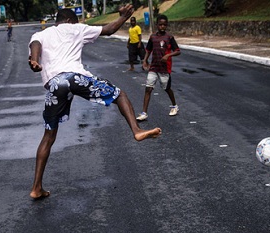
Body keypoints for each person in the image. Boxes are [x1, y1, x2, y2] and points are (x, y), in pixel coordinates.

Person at [28, 5, 162, 200]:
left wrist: (34, 60)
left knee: (48, 136)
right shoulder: (76, 27)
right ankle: (137, 130)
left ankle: (36, 188)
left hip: (55, 83)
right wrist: (124, 17)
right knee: (120, 95)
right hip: (74, 77)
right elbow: (108, 30)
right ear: (69, 21)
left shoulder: (42, 34)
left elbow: (35, 46)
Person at [137, 14, 181, 121]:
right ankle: (144, 113)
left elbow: (178, 51)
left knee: (166, 88)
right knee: (148, 88)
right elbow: (148, 50)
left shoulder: (169, 37)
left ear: (166, 25)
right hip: (154, 67)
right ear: (157, 25)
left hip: (164, 68)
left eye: (164, 25)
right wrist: (145, 60)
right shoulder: (153, 37)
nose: (162, 26)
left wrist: (168, 55)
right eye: (160, 24)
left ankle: (174, 105)